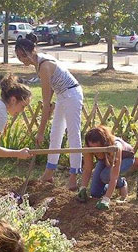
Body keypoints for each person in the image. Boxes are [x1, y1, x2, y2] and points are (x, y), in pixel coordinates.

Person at [15, 38, 83, 190]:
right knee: (55, 133)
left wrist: (40, 132)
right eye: (18, 56)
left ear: (32, 51)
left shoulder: (44, 66)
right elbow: (51, 94)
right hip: (62, 94)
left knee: (73, 134)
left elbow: (46, 104)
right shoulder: (39, 65)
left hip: (72, 94)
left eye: (23, 55)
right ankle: (49, 173)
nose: (21, 59)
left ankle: (73, 178)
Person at [77, 126, 134, 210]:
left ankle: (122, 183)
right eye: (92, 148)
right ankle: (109, 189)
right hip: (105, 159)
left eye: (97, 148)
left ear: (104, 143)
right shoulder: (88, 148)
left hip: (125, 158)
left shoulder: (115, 147)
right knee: (95, 193)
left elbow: (114, 176)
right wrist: (83, 187)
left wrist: (106, 199)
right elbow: (88, 169)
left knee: (105, 176)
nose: (95, 151)